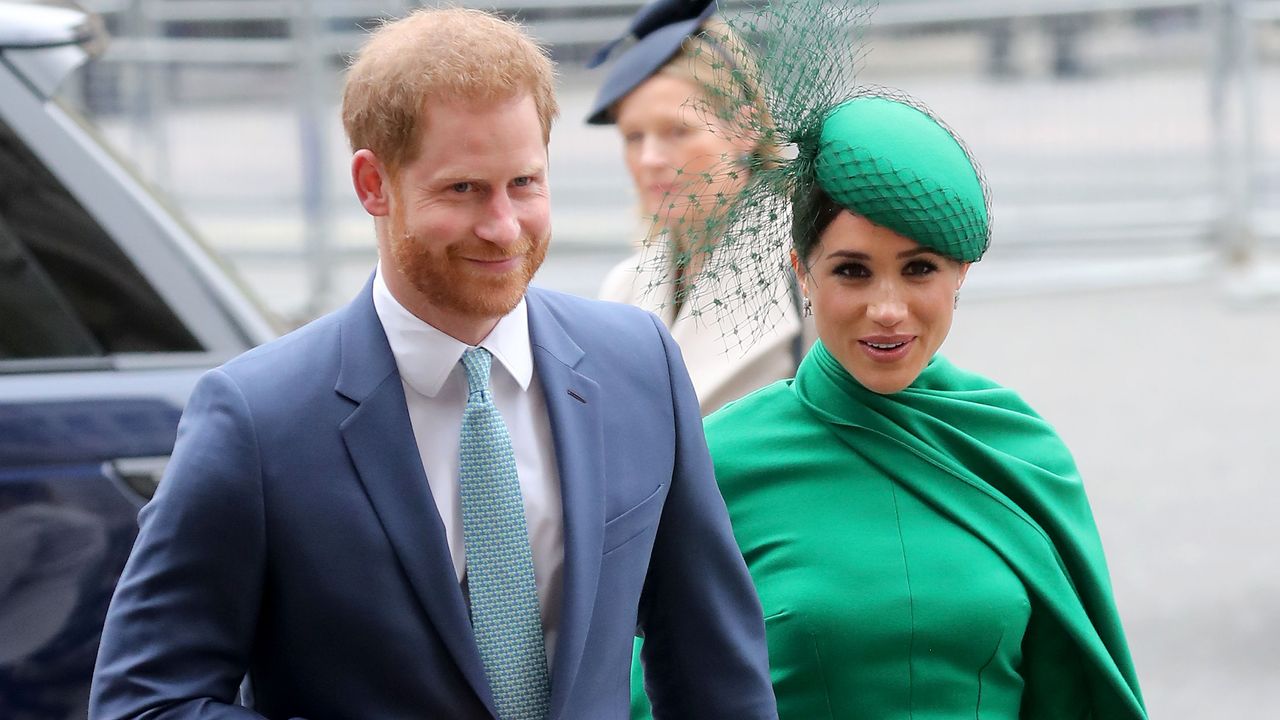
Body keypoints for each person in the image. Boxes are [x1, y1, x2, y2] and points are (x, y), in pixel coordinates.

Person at [88, 8, 776, 720]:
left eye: (525, 184)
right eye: (464, 189)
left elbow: (715, 675)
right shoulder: (257, 420)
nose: (504, 227)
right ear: (371, 185)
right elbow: (141, 705)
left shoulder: (638, 365)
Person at [630, 1, 1148, 717]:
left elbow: (1077, 695)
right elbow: (655, 692)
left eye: (919, 269)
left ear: (960, 274)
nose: (887, 308)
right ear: (801, 273)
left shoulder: (1022, 451)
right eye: (851, 271)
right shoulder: (718, 465)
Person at [588, 0, 810, 415]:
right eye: (634, 137)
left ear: (746, 128)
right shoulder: (623, 288)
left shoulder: (810, 269)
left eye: (678, 131)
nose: (650, 158)